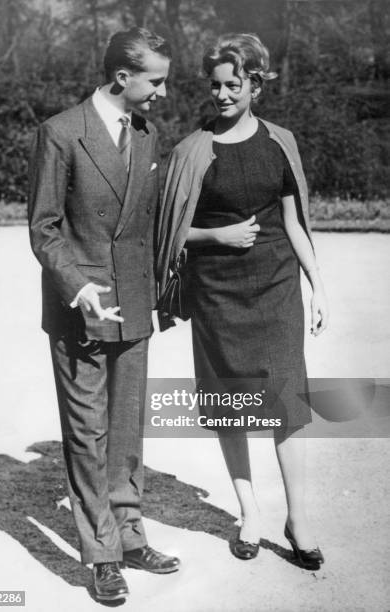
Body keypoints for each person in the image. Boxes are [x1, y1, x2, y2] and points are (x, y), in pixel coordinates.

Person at [157, 33, 329, 569]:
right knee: (232, 406)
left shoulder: (280, 141)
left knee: (285, 403)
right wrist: (216, 237)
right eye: (216, 84)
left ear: (257, 84)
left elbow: (294, 220)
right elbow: (165, 233)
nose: (223, 94)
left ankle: (298, 518)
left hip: (276, 289)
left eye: (234, 84)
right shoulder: (190, 151)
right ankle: (249, 512)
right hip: (216, 296)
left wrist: (318, 284)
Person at [28, 28, 180, 603]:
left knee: (127, 428)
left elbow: (145, 223)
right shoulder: (61, 133)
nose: (162, 93)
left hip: (135, 304)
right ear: (123, 77)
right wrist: (77, 286)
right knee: (88, 434)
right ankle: (101, 554)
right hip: (81, 310)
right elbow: (43, 228)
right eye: (156, 81)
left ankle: (131, 534)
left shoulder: (147, 133)